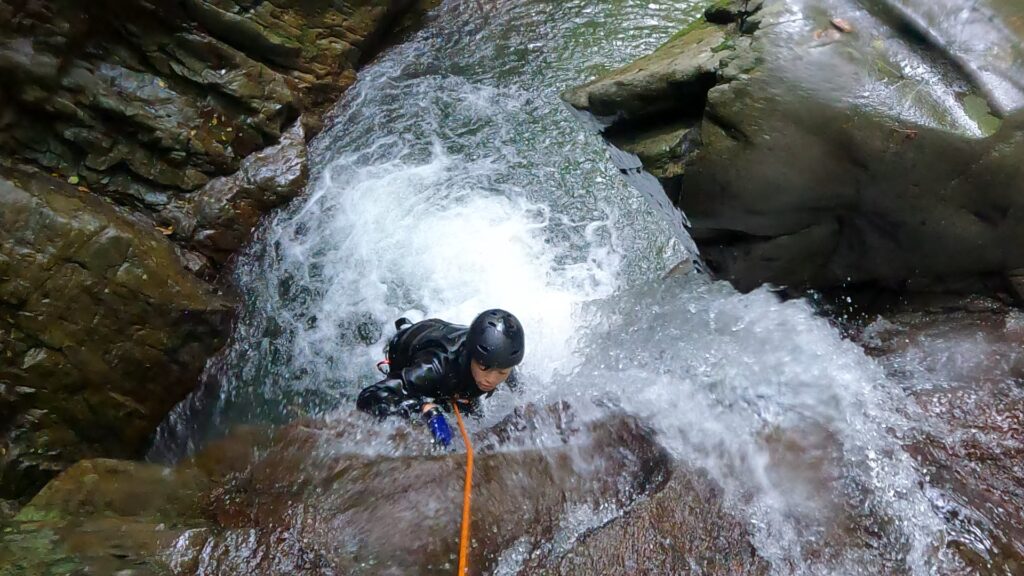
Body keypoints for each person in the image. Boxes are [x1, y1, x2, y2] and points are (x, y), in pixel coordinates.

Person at [356, 309, 525, 446]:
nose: (491, 380)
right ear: (472, 354)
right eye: (484, 368)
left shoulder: (502, 360)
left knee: (475, 420)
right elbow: (368, 397)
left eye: (501, 373)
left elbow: (520, 393)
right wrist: (422, 408)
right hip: (407, 350)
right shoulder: (434, 367)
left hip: (442, 341)